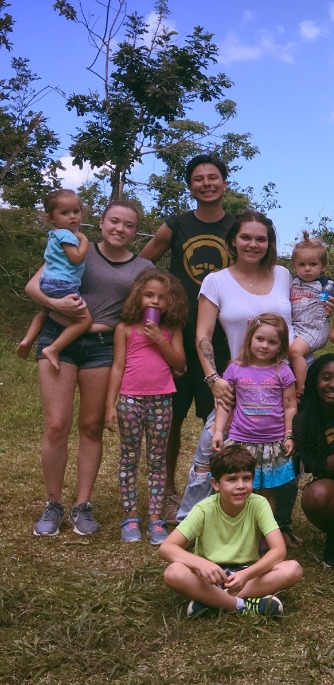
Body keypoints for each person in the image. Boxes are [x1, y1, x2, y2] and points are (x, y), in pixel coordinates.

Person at [26, 200, 154, 536]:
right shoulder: (76, 245)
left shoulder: (144, 266)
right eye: (114, 221)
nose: (120, 229)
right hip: (60, 337)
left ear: (135, 230)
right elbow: (33, 285)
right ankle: (53, 503)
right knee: (56, 424)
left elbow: (152, 307)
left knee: (91, 426)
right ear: (101, 221)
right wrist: (55, 303)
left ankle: (83, 505)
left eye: (128, 225)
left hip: (102, 347)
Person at [176, 210, 293, 522]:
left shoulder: (283, 275)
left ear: (270, 244)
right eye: (246, 237)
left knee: (280, 455)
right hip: (237, 381)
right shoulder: (216, 281)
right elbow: (202, 334)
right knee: (212, 451)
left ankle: (274, 525)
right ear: (232, 242)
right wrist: (214, 378)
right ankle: (192, 519)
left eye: (261, 239)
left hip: (281, 378)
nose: (253, 244)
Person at [140, 154, 235, 524]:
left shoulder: (237, 226)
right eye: (199, 178)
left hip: (223, 339)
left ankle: (222, 491)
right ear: (190, 185)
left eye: (213, 177)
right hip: (177, 336)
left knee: (223, 420)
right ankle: (164, 493)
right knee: (171, 418)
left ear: (224, 184)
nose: (207, 183)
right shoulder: (175, 225)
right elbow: (142, 265)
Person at [159, 444, 303, 617]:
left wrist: (246, 575)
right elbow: (166, 548)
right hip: (210, 577)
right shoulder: (204, 509)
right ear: (216, 483)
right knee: (174, 573)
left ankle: (211, 601)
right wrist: (200, 564)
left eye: (246, 478)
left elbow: (279, 550)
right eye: (232, 479)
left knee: (293, 569)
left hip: (246, 575)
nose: (240, 485)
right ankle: (241, 605)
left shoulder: (259, 504)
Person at [105, 269, 188, 544]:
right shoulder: (125, 329)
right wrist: (110, 405)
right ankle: (129, 515)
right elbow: (117, 367)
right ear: (138, 297)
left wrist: (158, 339)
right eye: (149, 295)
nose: (154, 301)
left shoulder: (171, 329)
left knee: (157, 461)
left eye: (161, 298)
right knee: (129, 458)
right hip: (130, 399)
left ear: (170, 303)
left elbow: (179, 364)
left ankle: (155, 518)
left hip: (162, 400)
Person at [210, 314, 297, 518]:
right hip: (241, 443)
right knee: (239, 492)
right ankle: (238, 532)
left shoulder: (283, 371)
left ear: (281, 346)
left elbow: (290, 405)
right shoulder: (235, 369)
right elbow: (225, 404)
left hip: (272, 444)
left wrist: (289, 434)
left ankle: (263, 537)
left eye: (272, 342)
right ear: (250, 338)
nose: (265, 345)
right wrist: (217, 431)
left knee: (267, 496)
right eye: (260, 339)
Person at [295, 354, 334, 567]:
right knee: (315, 495)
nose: (333, 384)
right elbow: (322, 469)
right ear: (315, 380)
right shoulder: (305, 419)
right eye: (326, 377)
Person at [18, 189, 93, 369]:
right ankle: (53, 348)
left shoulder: (53, 234)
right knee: (85, 321)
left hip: (48, 282)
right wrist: (84, 240)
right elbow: (76, 257)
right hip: (63, 284)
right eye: (65, 213)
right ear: (51, 218)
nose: (72, 217)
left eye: (76, 211)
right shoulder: (67, 235)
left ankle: (28, 340)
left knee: (44, 313)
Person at [288, 232, 334, 394]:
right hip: (298, 327)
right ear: (295, 266)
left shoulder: (326, 285)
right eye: (302, 264)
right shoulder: (293, 282)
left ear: (323, 266)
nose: (307, 269)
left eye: (313, 264)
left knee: (295, 351)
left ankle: (301, 387)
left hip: (316, 327)